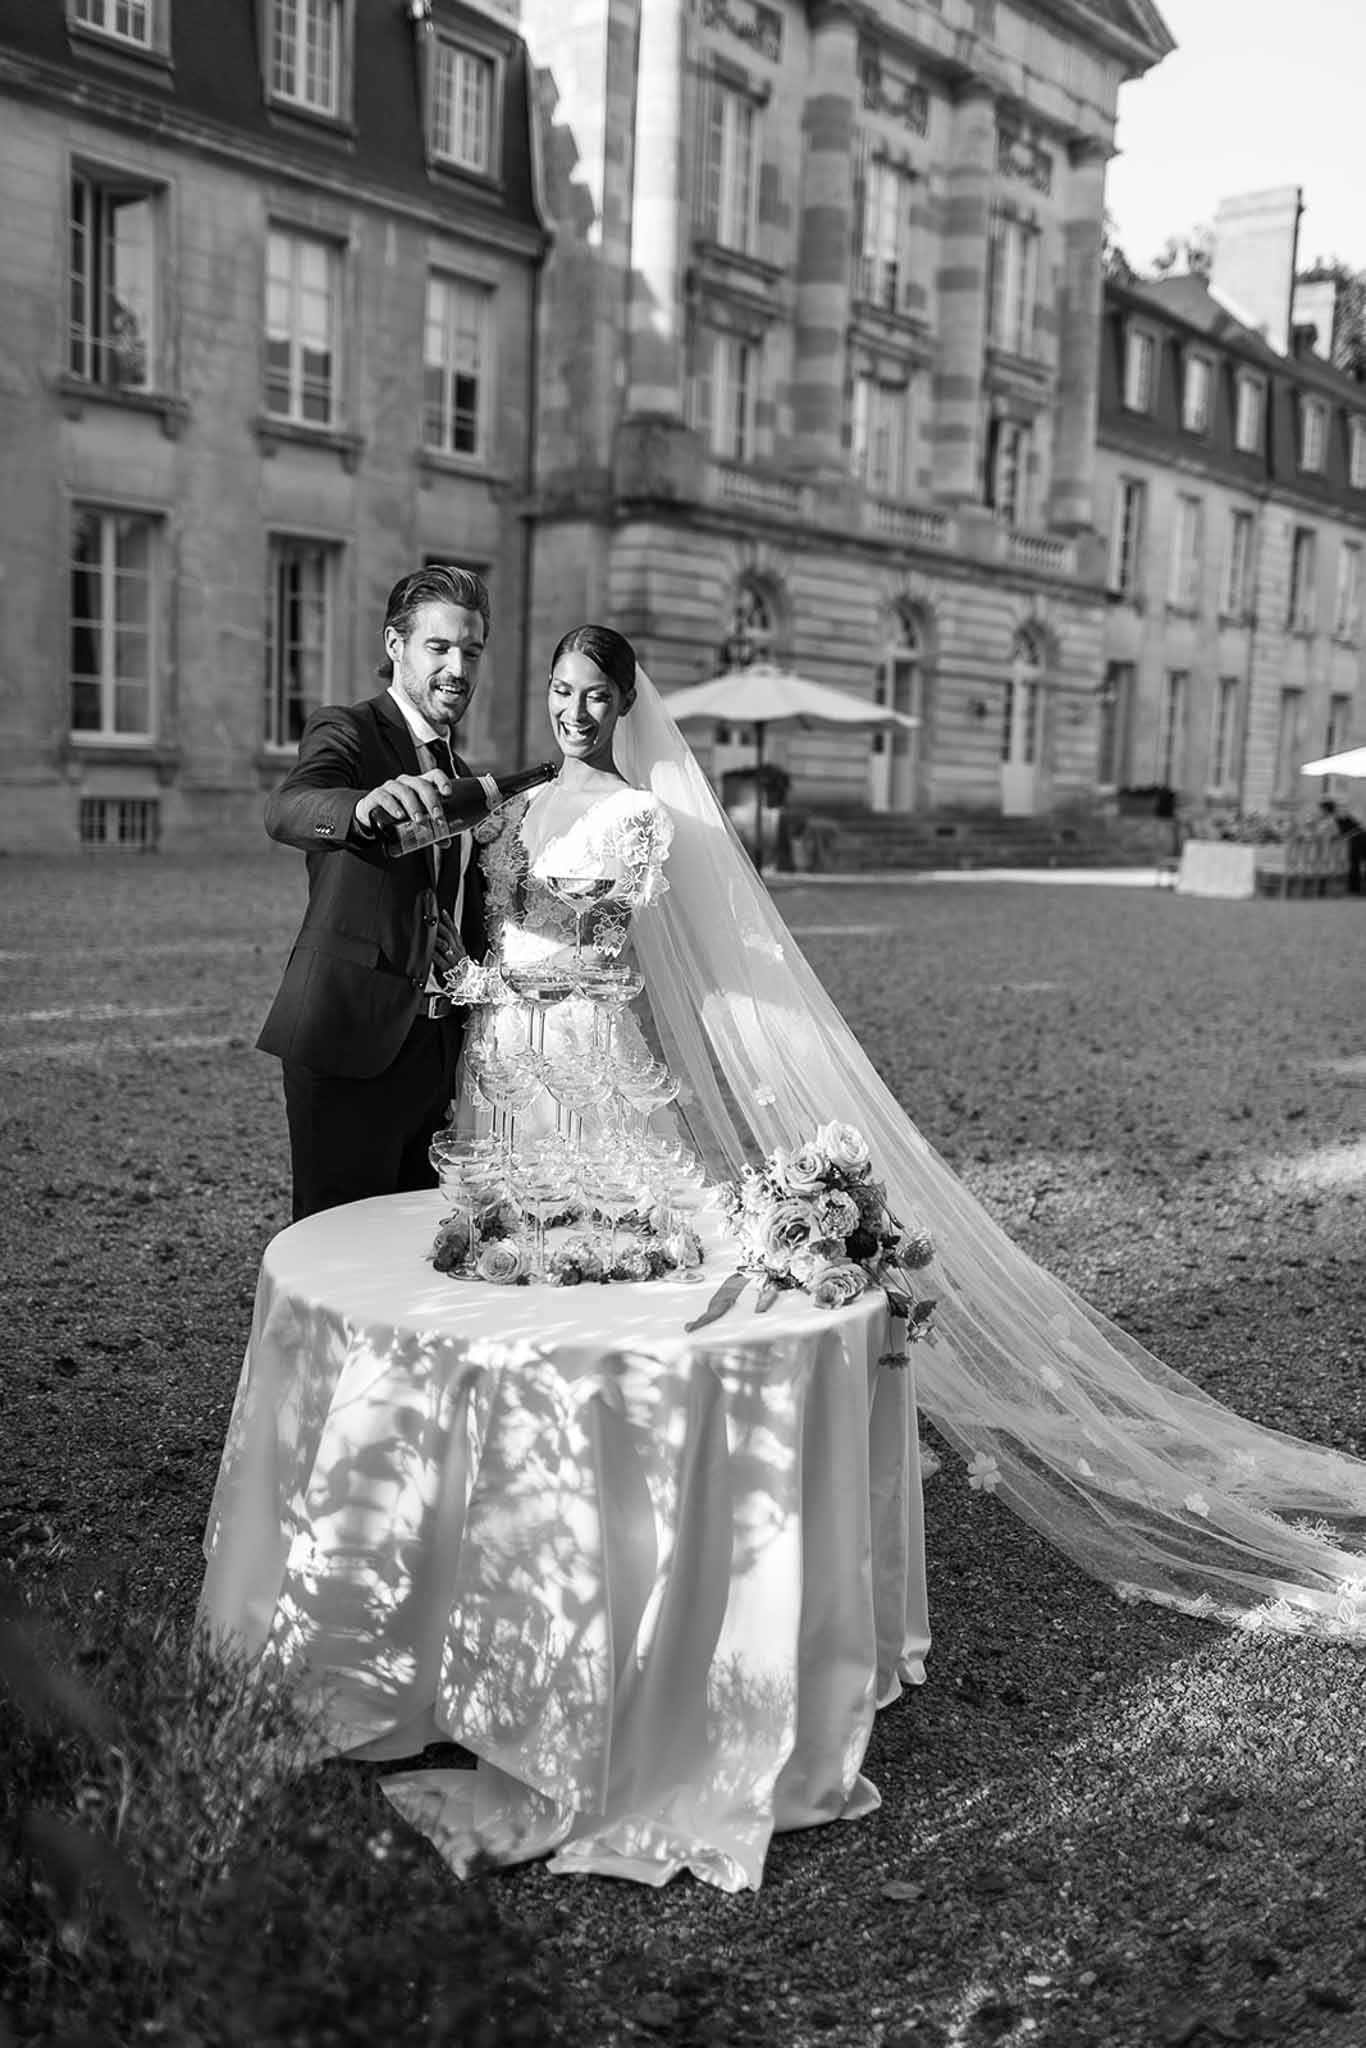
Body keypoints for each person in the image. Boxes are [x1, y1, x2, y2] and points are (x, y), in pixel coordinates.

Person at [257, 563, 492, 1220]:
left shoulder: (461, 772)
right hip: (350, 1038)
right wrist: (363, 809)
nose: (459, 668)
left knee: (412, 1258)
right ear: (396, 647)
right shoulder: (349, 730)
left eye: (471, 651)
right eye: (439, 647)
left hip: (438, 1054)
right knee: (336, 1259)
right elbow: (289, 807)